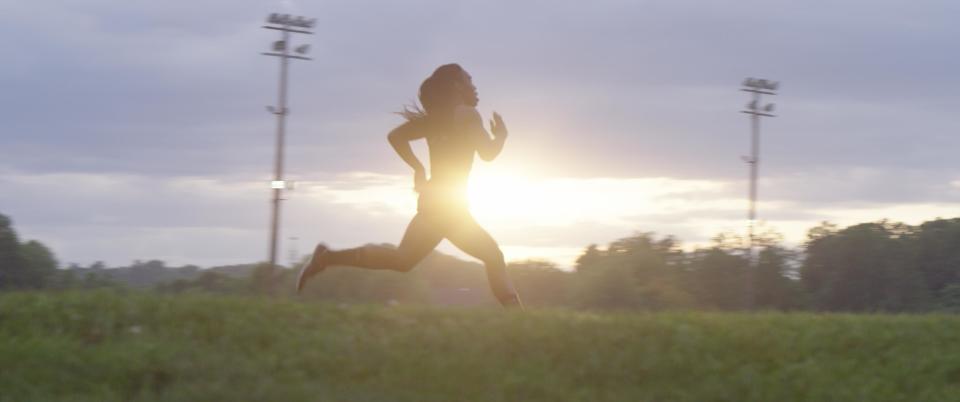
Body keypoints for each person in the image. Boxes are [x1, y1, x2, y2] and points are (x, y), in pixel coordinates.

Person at [296, 63, 522, 308]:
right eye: (469, 80)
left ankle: (327, 258)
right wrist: (501, 136)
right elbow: (488, 153)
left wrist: (418, 168)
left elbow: (396, 137)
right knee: (493, 256)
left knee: (402, 260)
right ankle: (519, 320)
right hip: (449, 207)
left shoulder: (435, 119)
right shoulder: (467, 114)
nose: (475, 86)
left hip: (436, 202)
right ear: (457, 86)